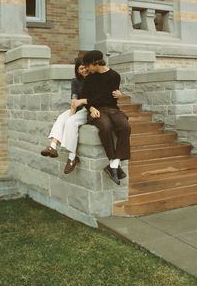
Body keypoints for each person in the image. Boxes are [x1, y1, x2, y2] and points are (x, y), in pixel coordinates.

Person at [72, 50, 130, 185]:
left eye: (87, 66)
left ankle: (113, 164)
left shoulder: (115, 76)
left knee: (125, 126)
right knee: (105, 126)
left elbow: (106, 97)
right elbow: (84, 96)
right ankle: (113, 162)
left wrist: (86, 101)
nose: (86, 69)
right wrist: (90, 107)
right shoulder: (90, 78)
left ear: (95, 63)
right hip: (97, 110)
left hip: (112, 109)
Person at [41, 58, 89, 174]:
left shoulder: (94, 79)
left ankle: (72, 158)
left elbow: (96, 98)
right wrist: (71, 114)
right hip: (77, 108)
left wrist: (72, 116)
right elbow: (74, 101)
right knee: (62, 118)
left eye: (85, 67)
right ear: (77, 70)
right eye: (81, 68)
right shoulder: (75, 81)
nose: (84, 70)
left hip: (88, 109)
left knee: (71, 123)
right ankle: (52, 146)